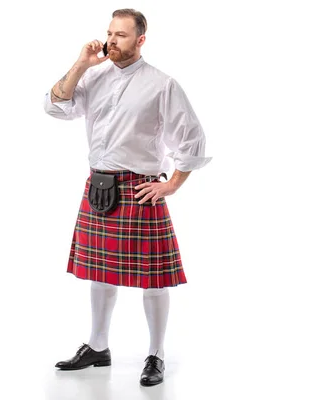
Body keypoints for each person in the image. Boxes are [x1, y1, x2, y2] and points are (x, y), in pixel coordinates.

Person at [43, 8, 212, 386]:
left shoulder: (161, 84)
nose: (112, 41)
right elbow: (55, 105)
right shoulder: (94, 76)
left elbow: (193, 140)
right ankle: (98, 346)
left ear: (140, 40)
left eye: (121, 35)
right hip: (98, 187)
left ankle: (156, 354)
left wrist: (172, 185)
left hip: (139, 191)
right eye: (109, 33)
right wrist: (80, 63)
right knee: (99, 275)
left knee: (154, 279)